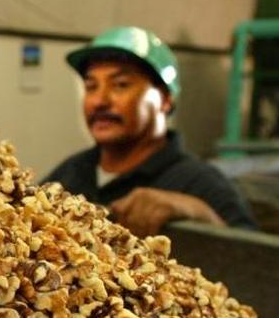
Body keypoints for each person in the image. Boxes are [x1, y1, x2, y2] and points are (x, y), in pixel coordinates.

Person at [42, 26, 257, 236]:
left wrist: (198, 212)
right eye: (91, 87)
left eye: (121, 84)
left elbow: (258, 260)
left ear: (164, 99)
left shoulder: (199, 183)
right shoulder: (72, 172)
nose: (99, 101)